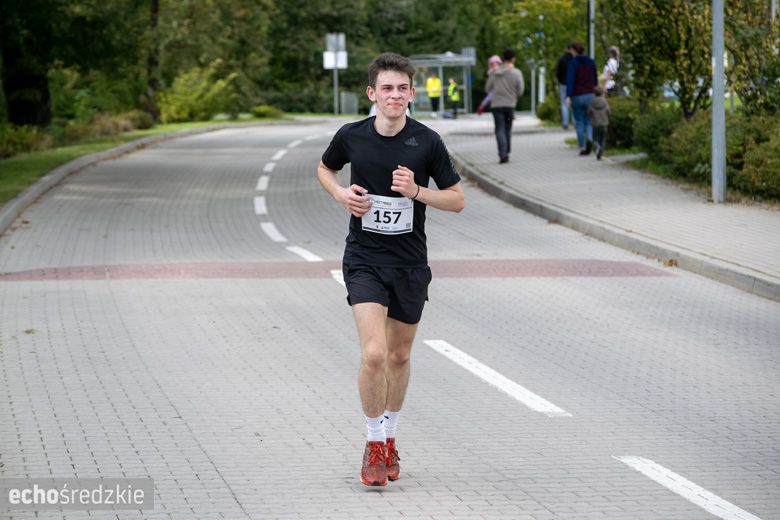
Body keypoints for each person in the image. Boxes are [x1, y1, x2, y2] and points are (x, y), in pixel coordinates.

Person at [316, 52, 465, 487]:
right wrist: (341, 196)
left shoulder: (427, 142)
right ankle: (373, 442)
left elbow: (456, 199)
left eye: (402, 88)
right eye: (387, 88)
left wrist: (417, 191)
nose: (394, 95)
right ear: (372, 93)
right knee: (375, 354)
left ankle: (392, 436)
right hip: (363, 259)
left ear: (411, 94)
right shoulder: (352, 136)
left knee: (399, 356)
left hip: (409, 265)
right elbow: (325, 169)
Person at [485, 48, 524, 164]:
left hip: (497, 106)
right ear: (513, 59)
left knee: (499, 129)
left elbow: (487, 89)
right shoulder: (517, 72)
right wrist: (513, 95)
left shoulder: (494, 73)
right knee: (507, 128)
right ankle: (506, 151)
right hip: (510, 105)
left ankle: (503, 153)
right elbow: (520, 91)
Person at [566, 42, 597, 155]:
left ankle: (582, 146)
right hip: (590, 94)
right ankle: (589, 138)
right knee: (589, 121)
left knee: (579, 121)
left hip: (577, 95)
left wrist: (568, 96)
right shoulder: (591, 62)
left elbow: (570, 80)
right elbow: (595, 80)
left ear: (574, 51)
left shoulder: (573, 64)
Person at [555, 44, 575, 129]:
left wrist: (560, 80)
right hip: (573, 84)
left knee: (564, 104)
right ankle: (575, 122)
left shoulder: (561, 60)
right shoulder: (574, 60)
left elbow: (558, 72)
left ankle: (565, 123)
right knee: (574, 104)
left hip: (563, 83)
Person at [588, 86, 610, 160]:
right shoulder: (605, 102)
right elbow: (608, 112)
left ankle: (597, 147)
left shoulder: (592, 102)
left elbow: (589, 112)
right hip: (604, 124)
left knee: (595, 139)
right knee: (602, 140)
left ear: (594, 94)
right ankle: (600, 152)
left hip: (595, 124)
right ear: (602, 93)